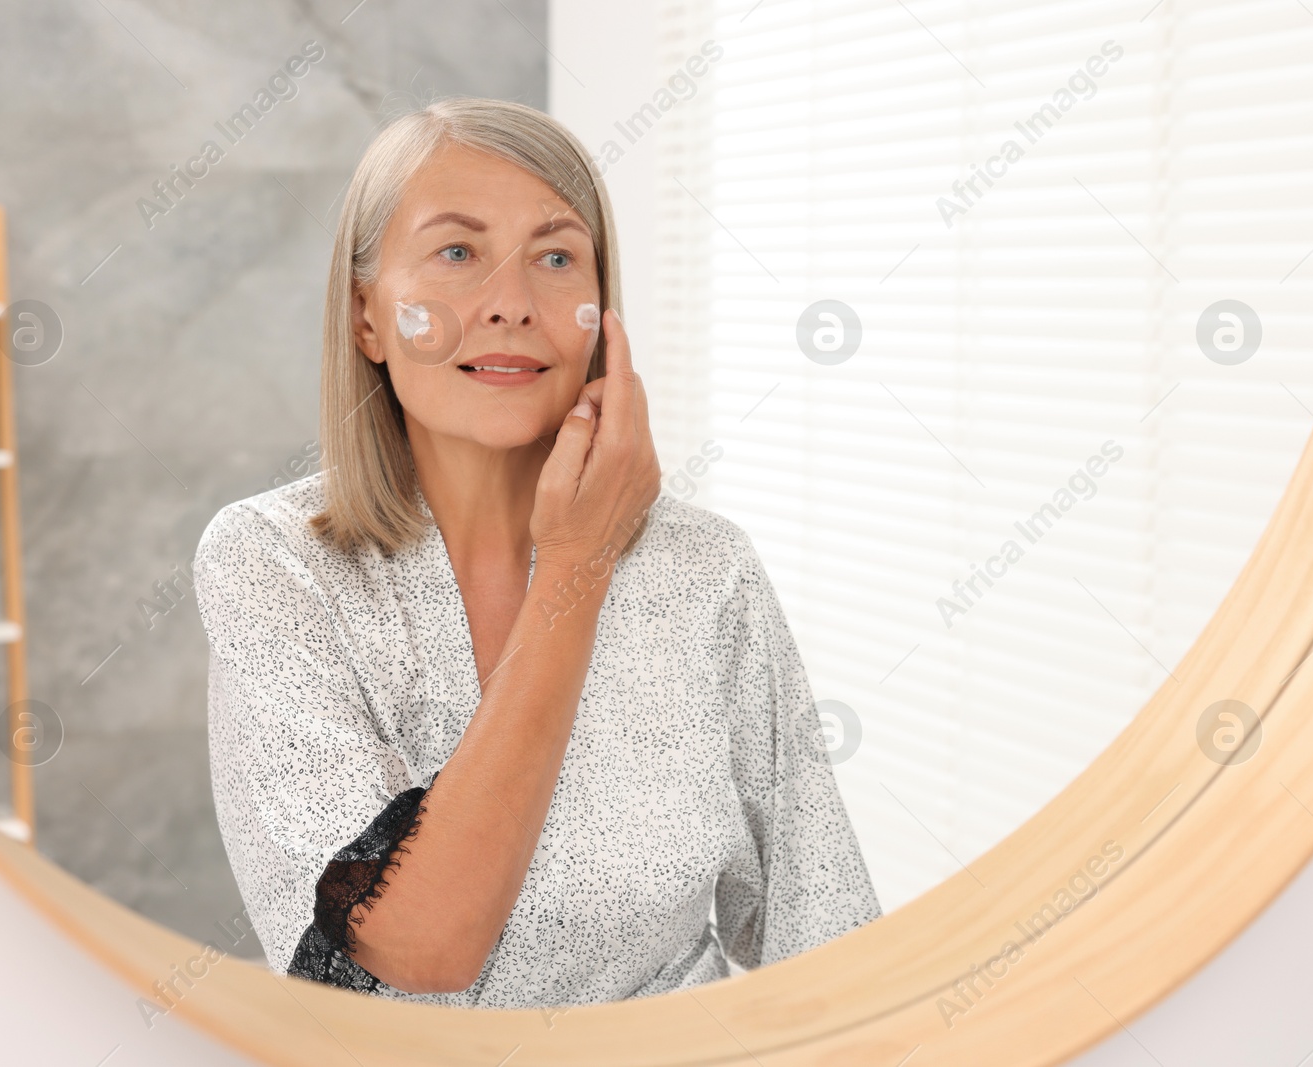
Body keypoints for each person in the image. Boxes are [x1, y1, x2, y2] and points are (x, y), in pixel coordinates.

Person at [191, 96, 880, 1009]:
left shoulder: (707, 572)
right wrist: (577, 566)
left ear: (603, 314)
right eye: (457, 252)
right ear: (367, 317)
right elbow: (417, 944)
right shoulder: (270, 566)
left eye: (557, 258)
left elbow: (830, 946)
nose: (513, 304)